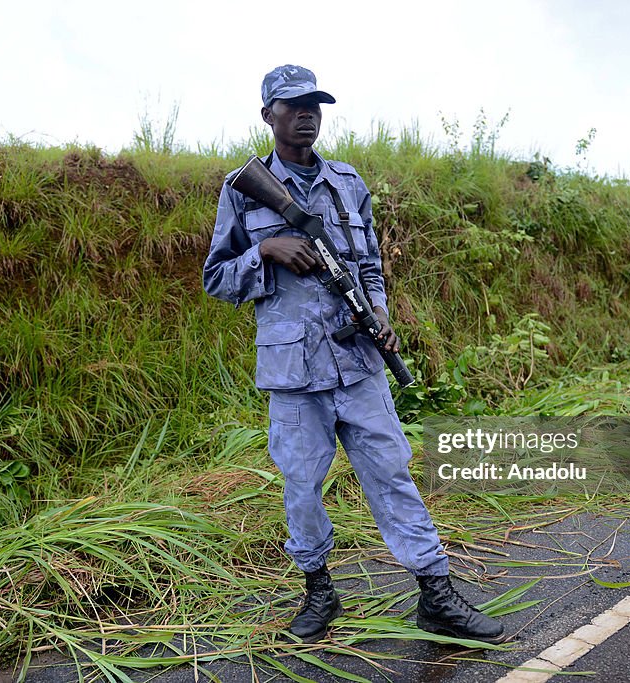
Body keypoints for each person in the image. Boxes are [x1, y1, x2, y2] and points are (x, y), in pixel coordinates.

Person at [203, 64, 508, 645]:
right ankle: (319, 591)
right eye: (292, 105)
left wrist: (382, 316)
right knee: (302, 484)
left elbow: (369, 266)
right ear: (268, 114)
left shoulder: (348, 184)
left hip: (358, 362)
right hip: (294, 373)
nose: (306, 114)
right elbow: (216, 278)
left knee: (393, 475)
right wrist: (266, 248)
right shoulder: (241, 189)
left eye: (314, 103)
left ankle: (436, 596)